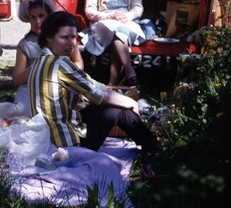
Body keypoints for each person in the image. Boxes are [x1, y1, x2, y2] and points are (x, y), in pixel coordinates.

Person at [29, 11, 157, 153]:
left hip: (46, 138)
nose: (71, 44)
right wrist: (131, 103)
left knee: (106, 106)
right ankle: (153, 147)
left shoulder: (40, 60)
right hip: (66, 145)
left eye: (73, 37)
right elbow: (98, 92)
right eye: (64, 37)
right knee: (116, 111)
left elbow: (88, 90)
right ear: (49, 39)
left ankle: (150, 144)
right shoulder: (61, 65)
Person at [1, 0, 83, 119]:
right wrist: (40, 67)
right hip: (32, 91)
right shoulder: (25, 44)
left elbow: (78, 62)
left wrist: (67, 71)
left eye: (41, 16)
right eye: (32, 18)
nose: (37, 21)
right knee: (22, 113)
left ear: (49, 16)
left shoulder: (63, 37)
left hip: (61, 86)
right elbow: (17, 79)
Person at [83, 0, 145, 87]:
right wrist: (109, 16)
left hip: (125, 20)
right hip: (103, 21)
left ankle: (112, 84)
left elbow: (138, 7)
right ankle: (130, 72)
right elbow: (89, 10)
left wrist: (127, 16)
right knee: (117, 30)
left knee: (120, 31)